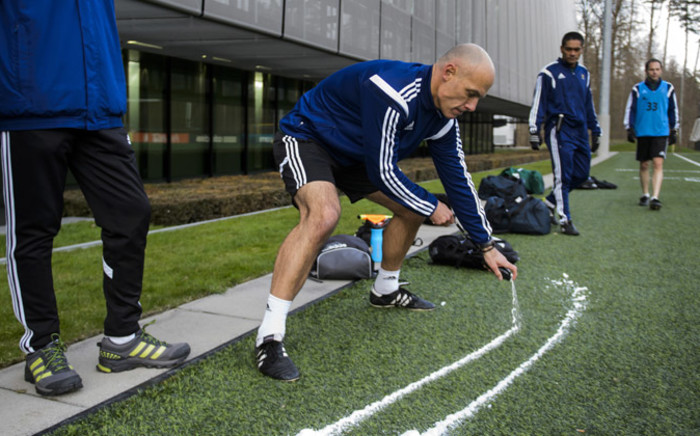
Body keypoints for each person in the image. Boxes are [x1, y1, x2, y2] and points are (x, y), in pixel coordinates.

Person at [254, 43, 518, 381]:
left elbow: (459, 180)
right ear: (448, 72)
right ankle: (270, 336)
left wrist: (486, 246)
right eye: (470, 93)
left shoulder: (443, 119)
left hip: (356, 157)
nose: (472, 105)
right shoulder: (393, 91)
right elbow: (383, 171)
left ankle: (386, 290)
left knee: (410, 209)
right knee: (323, 215)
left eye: (478, 97)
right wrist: (430, 206)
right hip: (309, 139)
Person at [0, 1, 190, 396]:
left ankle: (122, 339)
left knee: (131, 212)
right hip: (31, 103)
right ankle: (41, 346)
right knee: (34, 230)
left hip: (99, 105)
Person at [528, 31, 601, 236]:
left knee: (581, 174)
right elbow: (538, 103)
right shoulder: (548, 73)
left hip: (580, 132)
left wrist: (595, 131)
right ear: (562, 49)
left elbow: (589, 106)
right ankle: (565, 220)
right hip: (559, 130)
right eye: (568, 49)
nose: (572, 53)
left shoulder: (584, 74)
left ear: (581, 50)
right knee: (563, 176)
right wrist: (534, 130)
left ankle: (550, 202)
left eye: (576, 50)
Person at [623, 59, 679, 210]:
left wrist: (674, 129)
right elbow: (631, 109)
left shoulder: (668, 88)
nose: (654, 72)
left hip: (660, 131)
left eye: (657, 69)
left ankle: (655, 197)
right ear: (646, 71)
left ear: (661, 70)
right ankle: (645, 194)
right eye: (651, 69)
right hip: (643, 131)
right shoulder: (638, 89)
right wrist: (629, 128)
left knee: (658, 163)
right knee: (644, 164)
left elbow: (673, 110)